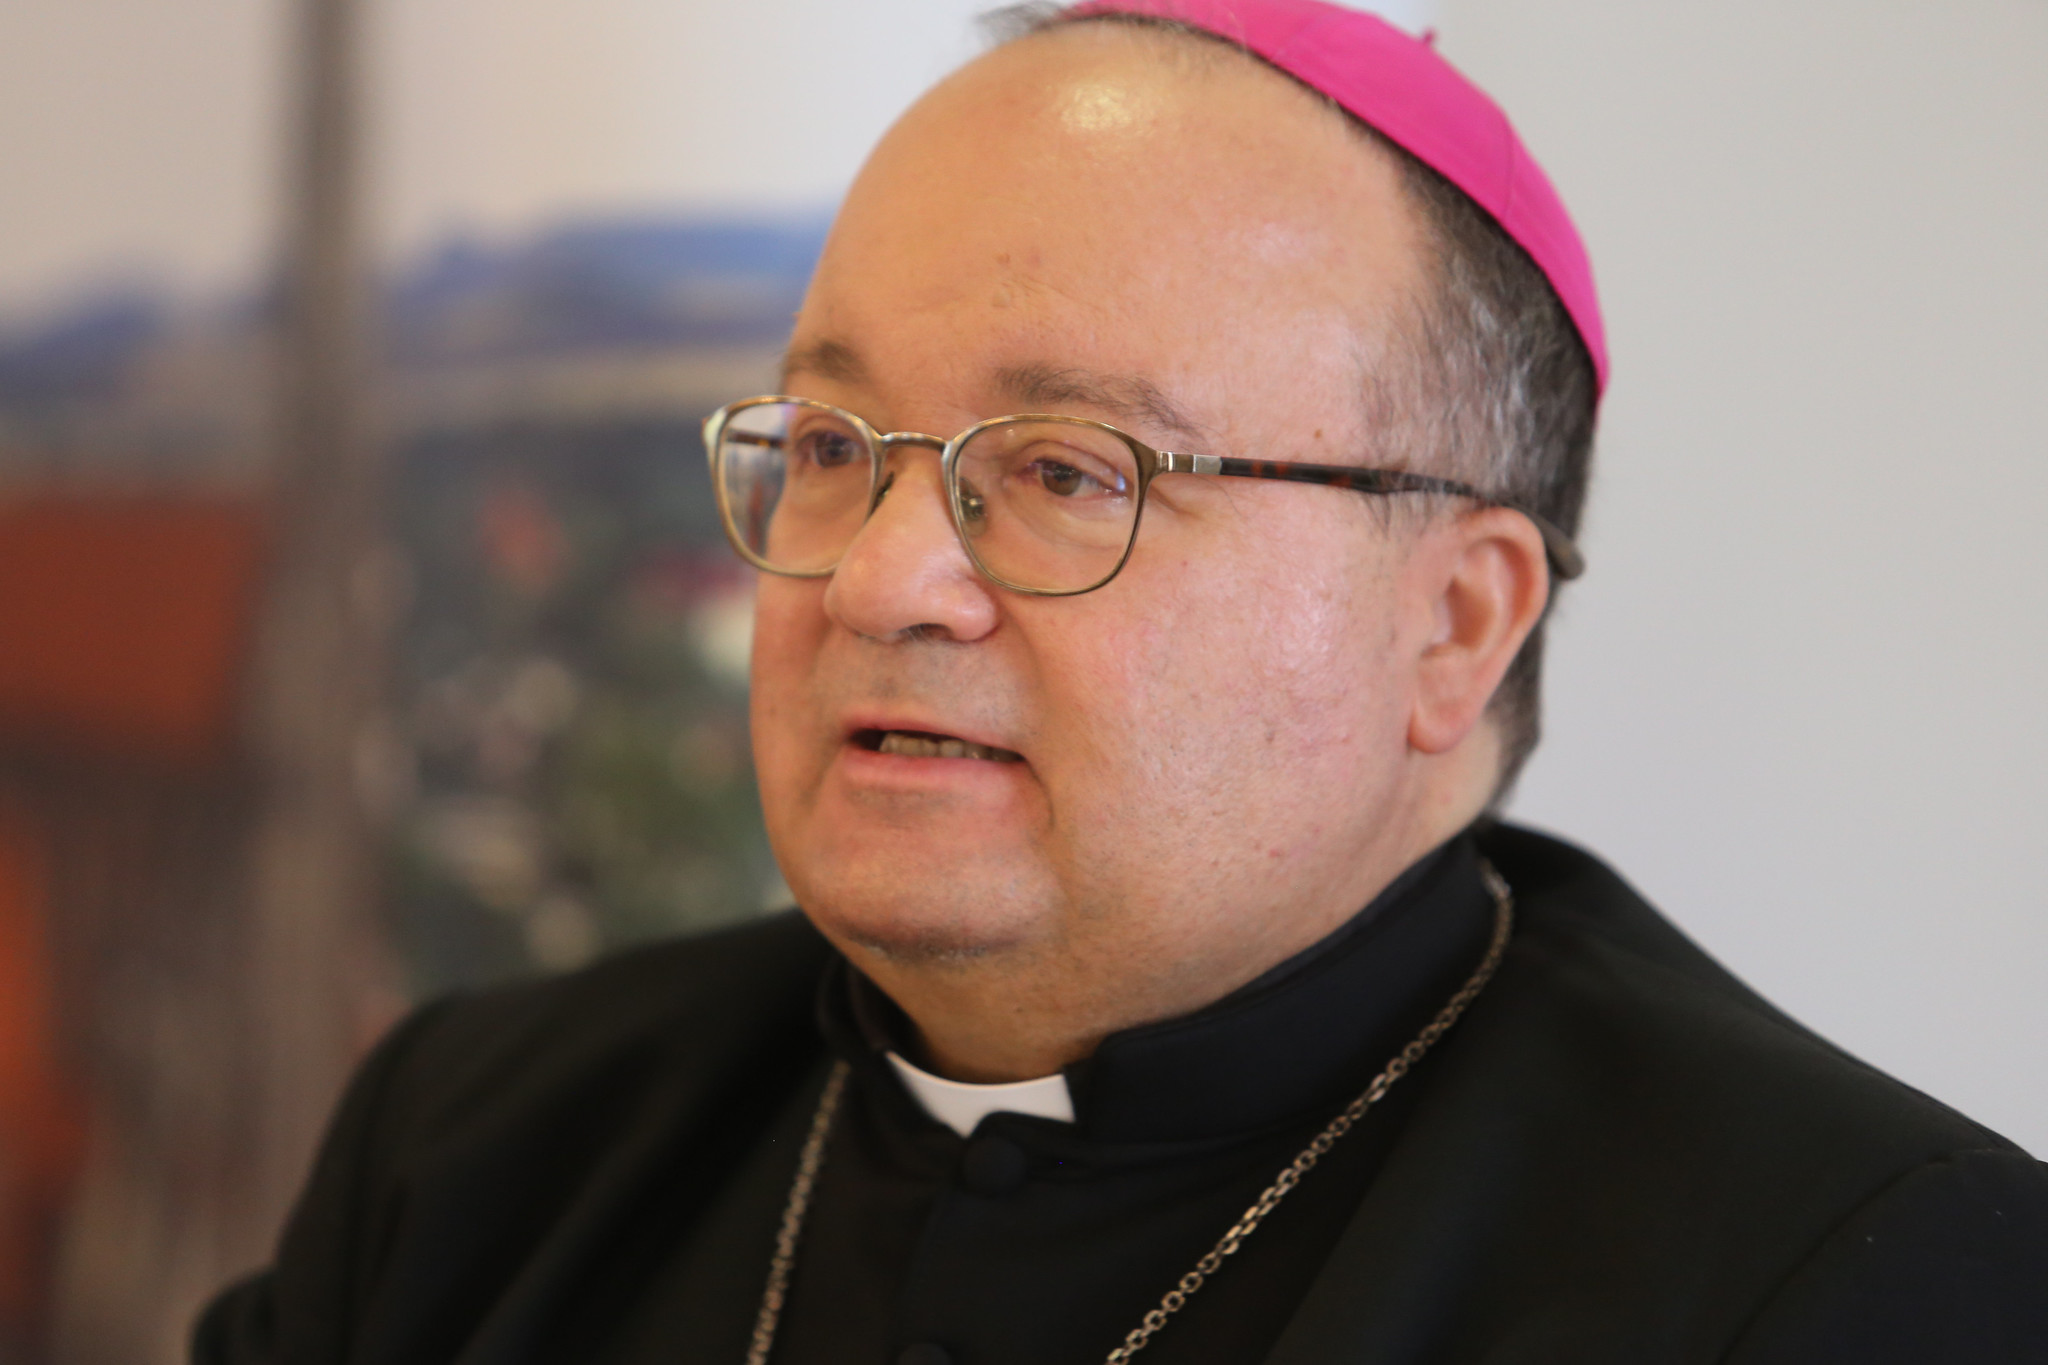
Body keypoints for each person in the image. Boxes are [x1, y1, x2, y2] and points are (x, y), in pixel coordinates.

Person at [194, 2, 2048, 1362]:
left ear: (1454, 623)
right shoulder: (476, 1149)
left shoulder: (1853, 1286)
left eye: (1072, 471)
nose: (879, 578)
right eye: (832, 445)